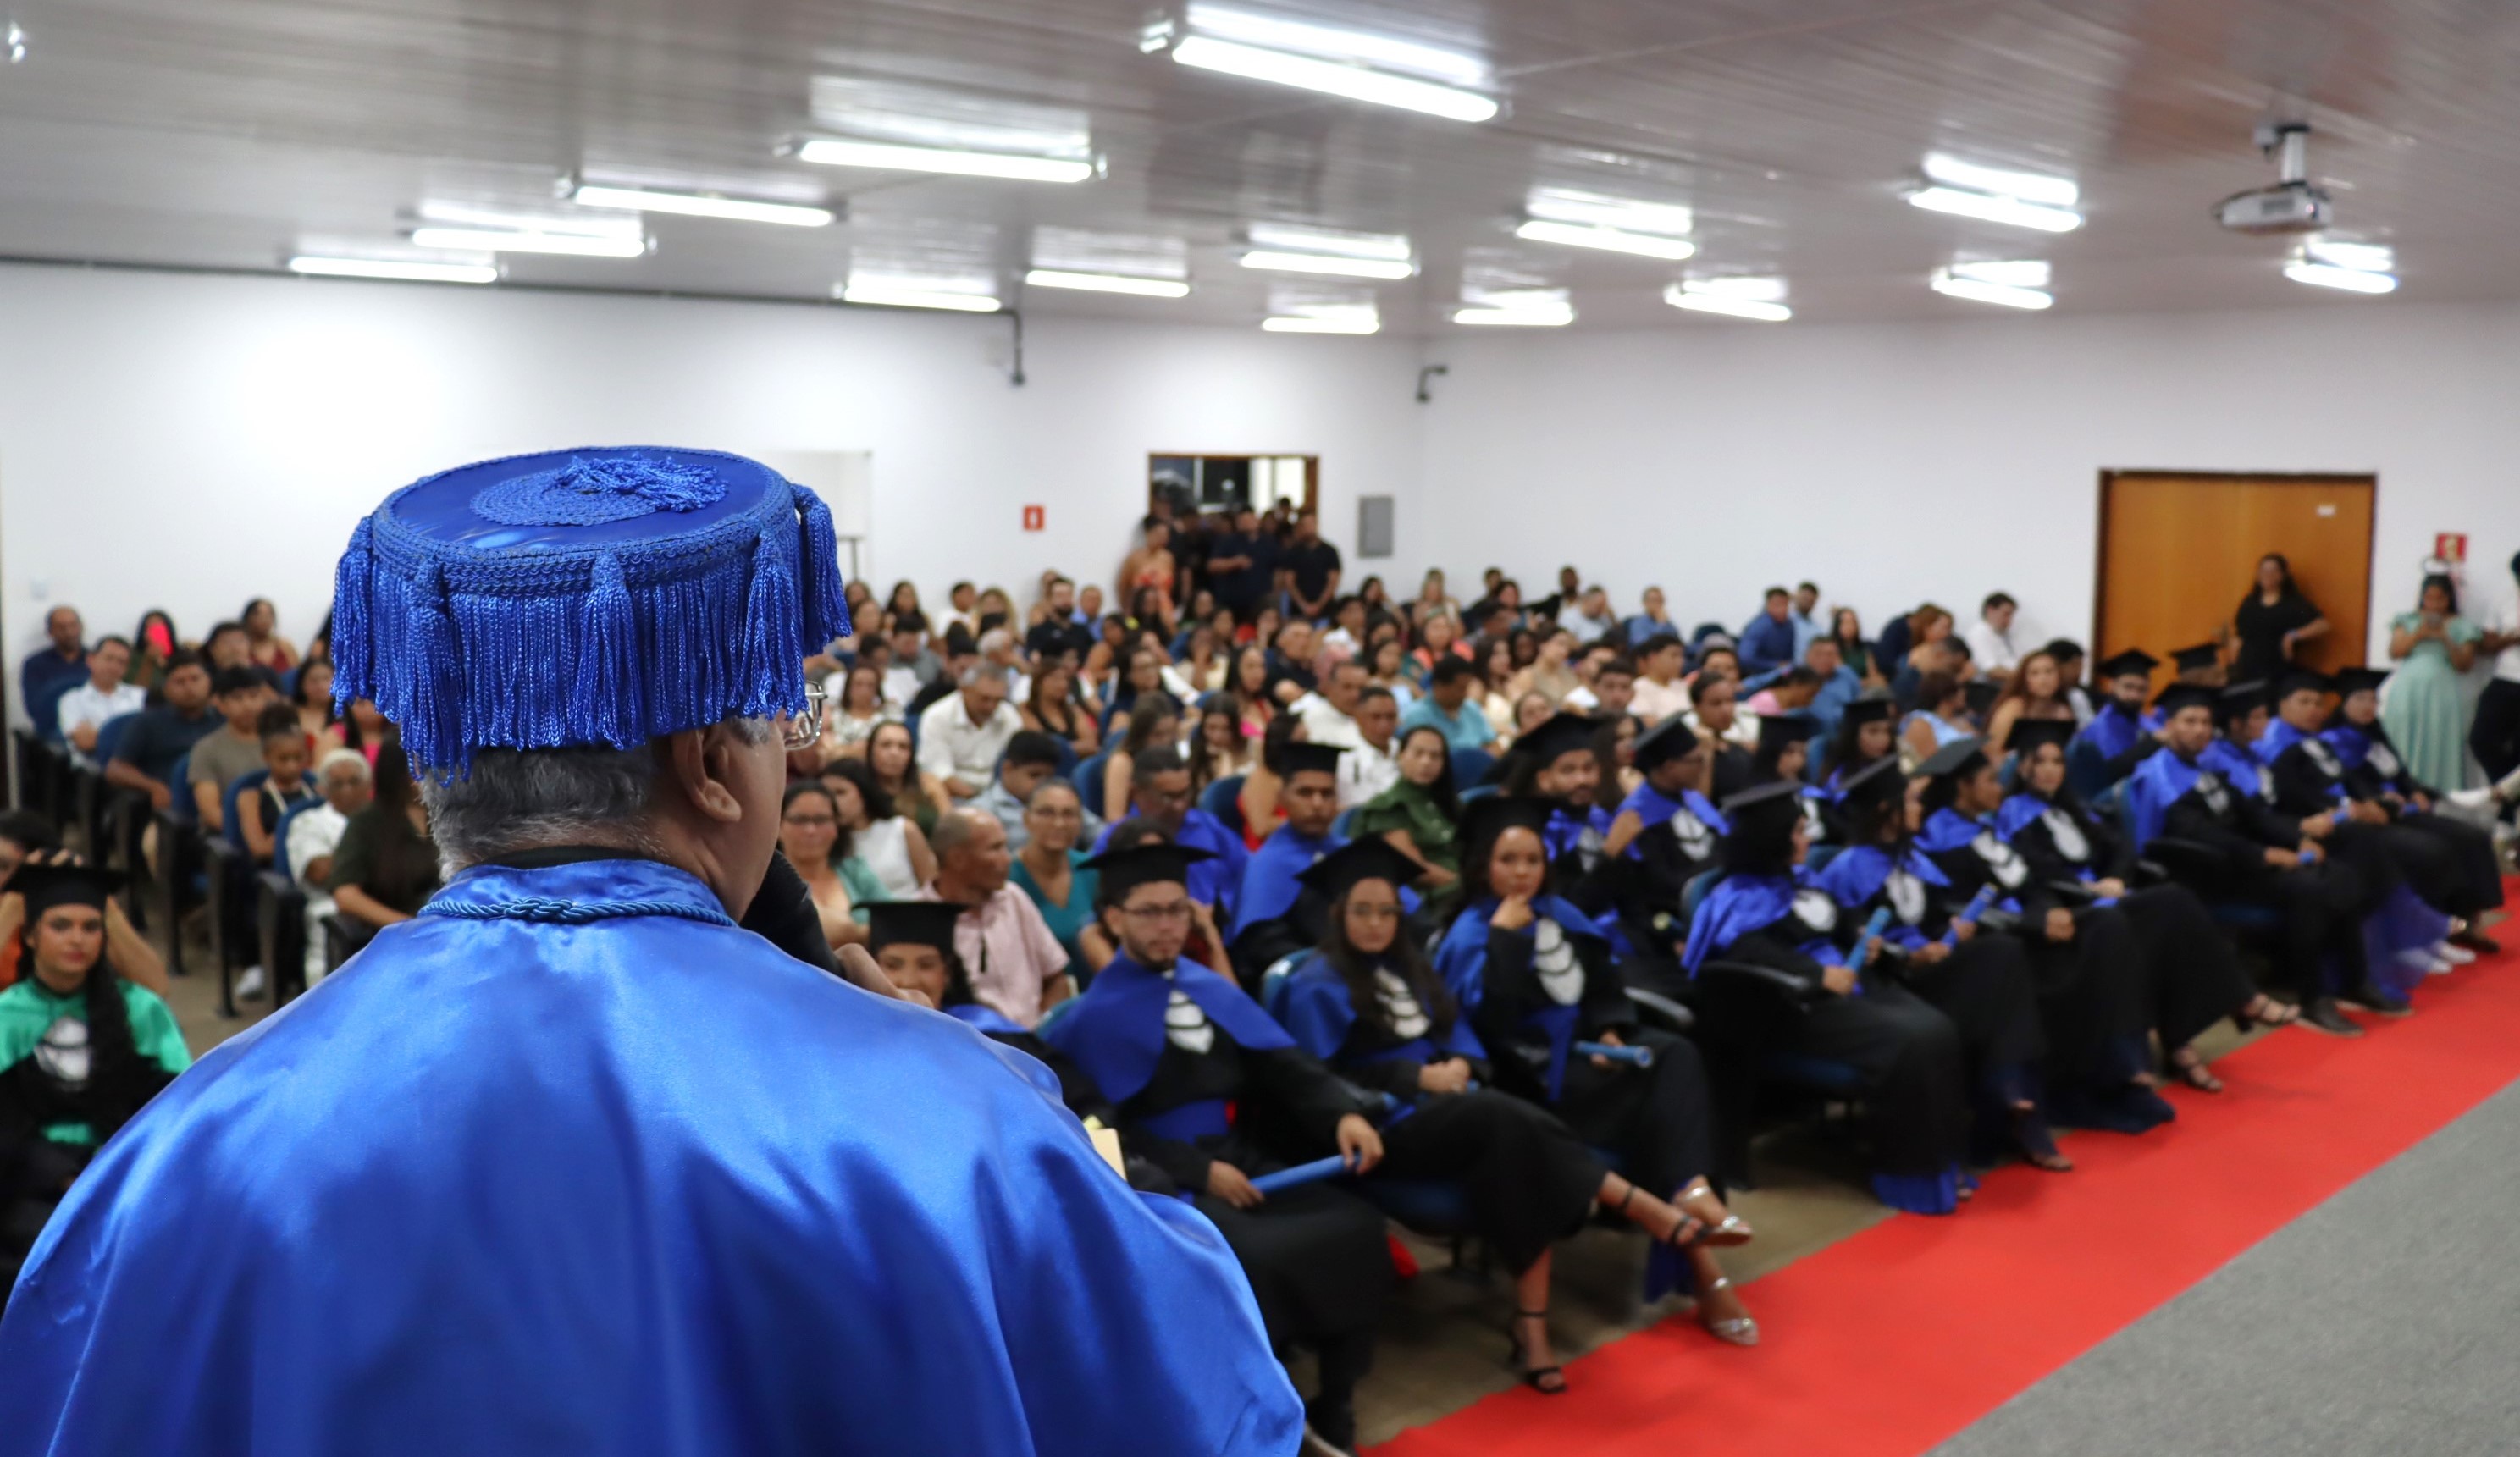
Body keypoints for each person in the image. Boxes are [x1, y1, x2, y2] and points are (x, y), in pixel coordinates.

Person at [3, 448, 1300, 1451]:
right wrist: (991, 1089)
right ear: (708, 761)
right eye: (778, 723)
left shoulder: (197, 1139)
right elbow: (1190, 1393)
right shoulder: (950, 1119)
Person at [1284, 840, 1755, 1391]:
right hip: (1385, 1126)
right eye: (1362, 911)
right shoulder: (1315, 983)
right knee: (1504, 1115)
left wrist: (1462, 1063)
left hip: (1451, 1108)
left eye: (1387, 911)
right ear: (1338, 913)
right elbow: (1320, 1081)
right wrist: (1415, 1078)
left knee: (1518, 1148)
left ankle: (1532, 1327)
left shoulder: (1408, 966)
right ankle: (1648, 1209)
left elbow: (1459, 1031)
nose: (1376, 923)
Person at [1041, 841, 1388, 1451]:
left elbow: (1282, 1064)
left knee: (1356, 1225)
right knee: (1253, 1258)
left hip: (1243, 1156)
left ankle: (1337, 1397)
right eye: (1149, 911)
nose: (1167, 925)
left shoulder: (1211, 988)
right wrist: (1200, 1170)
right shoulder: (1087, 1020)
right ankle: (1265, 1411)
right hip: (1172, 1179)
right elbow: (1106, 1129)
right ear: (1114, 918)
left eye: (1178, 909)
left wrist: (1343, 1113)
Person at [1998, 720, 2286, 1090]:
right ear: (2024, 767)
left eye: (2058, 761)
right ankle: (2232, 1008)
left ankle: (2185, 1039)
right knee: (2171, 904)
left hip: (2108, 898)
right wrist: (2087, 888)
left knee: (2174, 910)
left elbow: (2120, 846)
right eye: (2041, 762)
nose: (2051, 770)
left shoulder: (2073, 806)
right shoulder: (2013, 813)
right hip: (2073, 910)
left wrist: (2116, 878)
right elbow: (2036, 874)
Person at [1908, 737, 2170, 1134]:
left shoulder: (1984, 827)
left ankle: (2125, 1064)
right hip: (2006, 941)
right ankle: (2078, 1088)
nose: (2000, 787)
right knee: (2078, 951)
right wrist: (2035, 923)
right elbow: (1967, 908)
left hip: (2031, 924)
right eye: (1990, 780)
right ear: (1964, 787)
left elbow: (2028, 881)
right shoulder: (1940, 840)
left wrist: (2048, 910)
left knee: (2107, 925)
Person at [2127, 683, 2375, 1035]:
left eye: (2205, 722)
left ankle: (2354, 979)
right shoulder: (2158, 774)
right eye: (2189, 721)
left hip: (2237, 860)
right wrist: (2265, 855)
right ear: (2169, 726)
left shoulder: (2202, 767)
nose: (2199, 729)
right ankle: (2313, 997)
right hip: (2200, 872)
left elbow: (2252, 815)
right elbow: (2196, 832)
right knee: (2307, 888)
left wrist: (2297, 838)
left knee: (2338, 872)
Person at [0, 864, 191, 1285]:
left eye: (90, 927)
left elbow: (176, 1107)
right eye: (60, 926)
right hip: (28, 1184)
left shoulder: (140, 1009)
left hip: (126, 1173)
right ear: (30, 936)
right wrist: (62, 1176)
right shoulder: (6, 1015)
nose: (77, 939)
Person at [2318, 667, 2506, 952]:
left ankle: (2470, 921)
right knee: (2433, 850)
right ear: (2343, 703)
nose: (2368, 706)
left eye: (2373, 699)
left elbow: (2400, 771)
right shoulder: (2334, 739)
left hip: (2403, 810)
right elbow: (2349, 782)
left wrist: (2414, 789)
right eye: (2360, 699)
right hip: (2375, 815)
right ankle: (2434, 932)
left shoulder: (2375, 733)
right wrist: (2380, 798)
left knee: (2471, 837)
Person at [920, 810, 1073, 1029]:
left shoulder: (1013, 898)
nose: (1007, 858)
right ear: (958, 858)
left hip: (1034, 1040)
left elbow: (1056, 979)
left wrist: (1043, 1032)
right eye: (995, 848)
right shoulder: (918, 917)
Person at [1090, 744, 1249, 924]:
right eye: (1168, 797)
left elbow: (1247, 872)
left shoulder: (1209, 826)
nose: (1180, 806)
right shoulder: (1114, 842)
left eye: (1184, 794)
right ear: (1136, 793)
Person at [1227, 741, 1350, 971]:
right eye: (1305, 793)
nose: (1317, 804)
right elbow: (1261, 944)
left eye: (1326, 794)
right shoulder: (1267, 864)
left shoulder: (1351, 853)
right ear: (1282, 798)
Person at [324, 738, 439, 935]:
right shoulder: (367, 822)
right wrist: (407, 925)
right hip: (393, 934)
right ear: (395, 769)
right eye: (422, 763)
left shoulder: (449, 816)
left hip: (448, 930)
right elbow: (346, 895)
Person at [2382, 574, 2484, 792]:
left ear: (2449, 598)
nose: (2434, 604)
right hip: (2408, 688)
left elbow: (2465, 665)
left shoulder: (2461, 625)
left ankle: (2437, 793)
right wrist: (2419, 634)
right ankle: (2400, 790)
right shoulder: (2408, 620)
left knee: (2437, 737)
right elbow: (2395, 652)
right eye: (2429, 598)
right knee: (2401, 734)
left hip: (2442, 690)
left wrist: (2445, 638)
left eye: (2440, 599)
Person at [286, 749, 373, 985]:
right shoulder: (308, 822)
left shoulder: (387, 819)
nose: (347, 790)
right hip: (330, 909)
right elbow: (321, 873)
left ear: (369, 785)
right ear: (324, 789)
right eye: (338, 784)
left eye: (354, 782)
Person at [1011, 779, 1112, 975]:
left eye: (1069, 814)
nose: (1059, 823)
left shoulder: (1093, 870)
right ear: (1026, 819)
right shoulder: (1004, 878)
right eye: (1046, 813)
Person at [1351, 724, 1464, 894]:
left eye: (1435, 756)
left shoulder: (1446, 800)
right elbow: (1413, 868)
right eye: (1418, 754)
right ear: (1401, 756)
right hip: (1424, 894)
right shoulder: (1388, 806)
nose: (1426, 762)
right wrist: (1463, 884)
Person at [779, 781, 882, 948]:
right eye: (799, 820)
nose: (811, 830)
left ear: (836, 827)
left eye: (821, 820)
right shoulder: (765, 879)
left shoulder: (856, 872)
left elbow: (894, 922)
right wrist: (859, 933)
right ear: (778, 827)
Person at [822, 756, 934, 901]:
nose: (832, 802)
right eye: (826, 794)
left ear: (863, 792)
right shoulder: (825, 843)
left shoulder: (903, 829)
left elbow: (931, 886)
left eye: (840, 792)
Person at [915, 662, 1023, 803]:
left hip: (998, 796)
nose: (990, 706)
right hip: (950, 796)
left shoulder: (1010, 717)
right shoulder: (937, 717)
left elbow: (1013, 768)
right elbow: (939, 772)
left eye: (998, 700)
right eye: (984, 699)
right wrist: (979, 802)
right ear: (964, 690)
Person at [185, 666, 275, 833]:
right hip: (230, 835)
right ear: (221, 705)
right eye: (237, 698)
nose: (248, 705)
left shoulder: (280, 740)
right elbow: (210, 811)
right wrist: (250, 835)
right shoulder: (206, 749)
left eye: (254, 696)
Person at [236, 704, 319, 866]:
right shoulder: (250, 798)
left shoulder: (318, 790)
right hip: (274, 871)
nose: (292, 766)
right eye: (283, 759)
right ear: (266, 757)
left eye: (298, 758)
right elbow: (260, 849)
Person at [2473, 551, 2520, 834]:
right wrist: (2510, 639)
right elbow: (2486, 645)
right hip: (2505, 678)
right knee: (2481, 739)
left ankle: (2508, 814)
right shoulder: (2503, 598)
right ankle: (2510, 798)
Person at [2230, 552, 2329, 683]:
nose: (2268, 575)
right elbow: (2238, 637)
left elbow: (2322, 625)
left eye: (2273, 571)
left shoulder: (2292, 603)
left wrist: (2292, 635)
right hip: (2248, 670)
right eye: (2264, 571)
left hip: (2279, 671)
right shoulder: (2249, 603)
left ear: (2282, 575)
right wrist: (2233, 666)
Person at [55, 635, 145, 770]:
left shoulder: (141, 696)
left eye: (121, 662)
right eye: (109, 659)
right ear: (91, 660)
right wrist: (133, 741)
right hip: (92, 773)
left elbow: (153, 740)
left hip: (136, 770)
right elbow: (85, 743)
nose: (114, 666)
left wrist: (98, 736)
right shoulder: (72, 700)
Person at [1982, 648, 2077, 759]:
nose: (2043, 679)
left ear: (2059, 677)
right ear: (2025, 679)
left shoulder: (2062, 710)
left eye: (2049, 672)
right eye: (2035, 673)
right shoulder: (2013, 707)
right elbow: (1991, 750)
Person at [867, 720, 951, 836]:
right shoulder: (859, 789)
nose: (894, 753)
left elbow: (951, 829)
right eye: (886, 745)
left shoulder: (927, 782)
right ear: (871, 750)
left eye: (903, 747)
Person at [19, 606, 86, 748]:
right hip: (53, 731)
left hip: (90, 727)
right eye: (61, 627)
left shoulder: (95, 660)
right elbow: (35, 708)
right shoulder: (35, 664)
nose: (69, 632)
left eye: (73, 625)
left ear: (81, 627)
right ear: (50, 632)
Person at [1399, 656, 1496, 753]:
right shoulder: (1416, 715)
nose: (1465, 694)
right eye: (1460, 689)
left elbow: (1494, 745)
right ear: (1439, 686)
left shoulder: (1472, 709)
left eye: (1466, 688)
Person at [1336, 687, 1401, 810]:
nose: (1384, 724)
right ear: (1358, 717)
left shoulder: (1405, 750)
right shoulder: (1344, 756)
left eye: (1390, 717)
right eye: (1376, 717)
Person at [1694, 675, 1755, 800]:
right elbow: (1698, 802)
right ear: (1697, 707)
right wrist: (1707, 757)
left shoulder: (1739, 747)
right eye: (1716, 703)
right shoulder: (1690, 752)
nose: (1726, 710)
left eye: (1730, 701)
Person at [1279, 511, 1341, 624]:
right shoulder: (1293, 552)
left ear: (1317, 524)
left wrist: (1319, 605)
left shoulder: (1330, 551)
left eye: (1311, 523)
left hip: (1325, 611)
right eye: (1305, 524)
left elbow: (1333, 582)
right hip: (1299, 612)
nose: (1309, 527)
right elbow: (1289, 581)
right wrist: (1303, 605)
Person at [1902, 671, 1976, 764]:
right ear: (1948, 695)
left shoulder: (1962, 721)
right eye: (1958, 689)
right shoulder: (1922, 723)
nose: (1964, 693)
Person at [1738, 588, 1798, 676]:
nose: (1782, 609)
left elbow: (1789, 658)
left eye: (1785, 604)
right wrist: (1775, 665)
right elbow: (1745, 658)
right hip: (1757, 675)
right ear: (1767, 605)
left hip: (1782, 674)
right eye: (1777, 605)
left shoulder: (1789, 626)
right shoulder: (1758, 627)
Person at [1963, 593, 2025, 679]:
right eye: (2006, 614)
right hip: (1992, 684)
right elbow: (1991, 670)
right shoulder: (1978, 633)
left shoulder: (2004, 634)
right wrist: (2023, 678)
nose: (2009, 620)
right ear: (1990, 610)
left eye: (2011, 615)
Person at [239, 597, 297, 672]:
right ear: (248, 618)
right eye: (258, 614)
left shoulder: (284, 646)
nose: (264, 619)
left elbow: (298, 673)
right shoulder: (240, 648)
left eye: (269, 615)